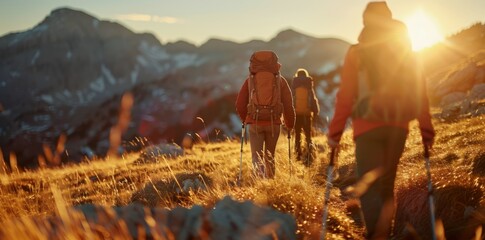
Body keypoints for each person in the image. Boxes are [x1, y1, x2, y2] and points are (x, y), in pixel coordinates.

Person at [327, 2, 435, 239]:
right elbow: (419, 93)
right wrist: (427, 130)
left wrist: (334, 133)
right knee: (387, 184)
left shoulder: (357, 52)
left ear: (366, 20)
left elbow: (345, 96)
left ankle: (377, 234)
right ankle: (387, 232)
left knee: (368, 185)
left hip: (367, 126)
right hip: (398, 125)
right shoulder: (405, 49)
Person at [236, 51, 295, 179]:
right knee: (270, 156)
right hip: (274, 123)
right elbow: (289, 105)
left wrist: (246, 119)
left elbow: (240, 104)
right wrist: (290, 124)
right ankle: (270, 184)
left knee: (256, 156)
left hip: (255, 123)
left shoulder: (250, 81)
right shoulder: (281, 81)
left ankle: (259, 185)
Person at [292, 68, 320, 161]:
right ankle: (309, 153)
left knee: (297, 135)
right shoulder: (308, 85)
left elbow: (291, 100)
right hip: (307, 114)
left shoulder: (294, 85)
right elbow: (313, 99)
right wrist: (315, 112)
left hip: (297, 114)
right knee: (308, 135)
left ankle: (298, 154)